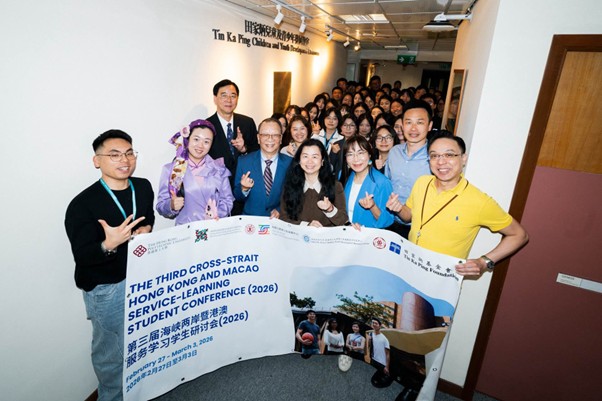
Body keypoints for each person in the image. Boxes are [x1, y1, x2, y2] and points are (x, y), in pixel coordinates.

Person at [65, 130, 155, 401]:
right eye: (114, 155)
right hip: (107, 288)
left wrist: (147, 228)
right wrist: (109, 244)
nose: (124, 160)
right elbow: (83, 256)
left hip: (141, 277)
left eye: (129, 153)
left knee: (139, 344)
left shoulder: (143, 187)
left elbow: (148, 216)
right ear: (97, 161)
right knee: (111, 356)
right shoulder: (82, 204)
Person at [386, 131, 529, 275]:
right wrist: (399, 209)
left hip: (442, 277)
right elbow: (409, 216)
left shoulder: (479, 201)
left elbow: (519, 235)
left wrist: (484, 262)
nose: (441, 162)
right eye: (434, 156)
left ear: (463, 158)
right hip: (409, 265)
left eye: (449, 155)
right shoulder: (422, 182)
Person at [156, 119, 234, 224]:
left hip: (213, 228)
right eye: (196, 139)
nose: (200, 145)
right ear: (187, 140)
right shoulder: (172, 170)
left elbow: (227, 200)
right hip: (186, 230)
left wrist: (215, 215)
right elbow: (161, 205)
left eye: (206, 142)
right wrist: (171, 205)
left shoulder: (218, 168)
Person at [385, 101, 433, 239]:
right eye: (408, 122)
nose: (413, 128)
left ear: (429, 126)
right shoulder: (394, 152)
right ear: (402, 125)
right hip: (389, 220)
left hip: (418, 227)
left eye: (419, 122)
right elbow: (387, 183)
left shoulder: (434, 157)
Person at [280, 139, 348, 227]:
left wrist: (330, 209)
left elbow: (343, 220)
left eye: (315, 157)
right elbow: (283, 218)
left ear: (322, 161)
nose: (310, 161)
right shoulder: (290, 185)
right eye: (305, 156)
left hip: (326, 235)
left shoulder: (335, 186)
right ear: (299, 160)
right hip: (298, 235)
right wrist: (306, 226)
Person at [234, 118, 292, 218]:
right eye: (265, 135)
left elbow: (293, 195)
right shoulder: (244, 161)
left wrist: (280, 209)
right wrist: (244, 189)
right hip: (251, 222)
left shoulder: (290, 163)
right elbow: (237, 196)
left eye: (275, 135)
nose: (270, 139)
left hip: (278, 222)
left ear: (281, 138)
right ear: (258, 138)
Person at [207, 79, 258, 178]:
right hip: (218, 182)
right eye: (224, 95)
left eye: (233, 96)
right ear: (215, 98)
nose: (229, 100)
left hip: (245, 180)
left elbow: (256, 153)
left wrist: (243, 149)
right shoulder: (207, 126)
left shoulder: (247, 123)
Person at [342, 136, 394, 229]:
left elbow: (388, 221)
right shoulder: (345, 177)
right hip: (347, 233)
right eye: (350, 154)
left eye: (360, 153)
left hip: (369, 236)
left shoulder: (382, 182)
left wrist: (373, 207)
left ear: (369, 155)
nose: (356, 159)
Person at [367, 318, 392, 387]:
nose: (374, 324)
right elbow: (369, 346)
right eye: (373, 323)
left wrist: (387, 366)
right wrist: (369, 340)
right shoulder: (371, 334)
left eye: (376, 323)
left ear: (380, 326)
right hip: (373, 360)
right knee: (370, 379)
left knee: (378, 382)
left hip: (381, 363)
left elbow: (388, 354)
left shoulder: (384, 339)